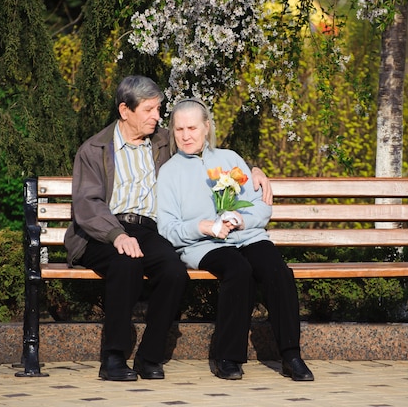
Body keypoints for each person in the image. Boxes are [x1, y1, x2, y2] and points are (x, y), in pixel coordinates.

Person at [64, 76, 272, 382]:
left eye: (158, 109)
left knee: (174, 271)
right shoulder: (94, 149)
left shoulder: (162, 141)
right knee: (126, 264)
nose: (156, 116)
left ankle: (149, 357)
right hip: (102, 231)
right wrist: (117, 235)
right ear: (125, 110)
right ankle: (114, 357)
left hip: (147, 230)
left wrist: (254, 170)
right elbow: (87, 204)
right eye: (149, 110)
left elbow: (208, 151)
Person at [156, 98, 314, 381]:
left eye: (192, 127)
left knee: (277, 271)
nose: (186, 135)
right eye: (179, 129)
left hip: (246, 236)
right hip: (203, 244)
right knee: (238, 271)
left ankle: (291, 354)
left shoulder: (230, 159)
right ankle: (228, 356)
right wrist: (202, 227)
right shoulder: (169, 173)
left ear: (207, 127)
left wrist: (244, 220)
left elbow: (261, 206)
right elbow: (167, 228)